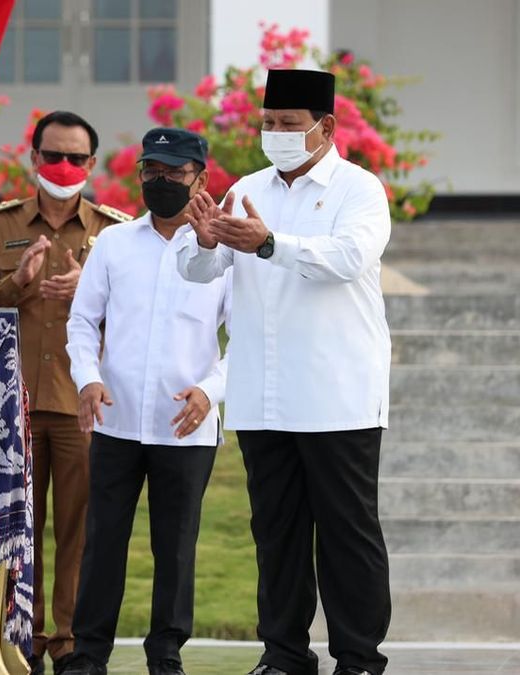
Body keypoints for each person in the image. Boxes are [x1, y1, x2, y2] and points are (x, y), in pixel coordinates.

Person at [177, 68, 392, 675]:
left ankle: (357, 659)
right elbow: (199, 274)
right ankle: (284, 656)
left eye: (289, 125)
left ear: (324, 128)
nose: (276, 134)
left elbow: (348, 259)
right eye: (268, 124)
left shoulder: (359, 189)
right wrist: (203, 242)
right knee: (276, 534)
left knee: (347, 535)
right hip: (263, 396)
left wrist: (270, 244)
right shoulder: (248, 187)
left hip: (337, 394)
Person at [0, 110, 129, 675]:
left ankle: (73, 646)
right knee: (17, 529)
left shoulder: (115, 232)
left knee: (82, 529)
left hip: (83, 403)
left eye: (75, 158)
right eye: (52, 155)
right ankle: (18, 641)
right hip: (13, 405)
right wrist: (19, 284)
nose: (63, 167)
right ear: (34, 159)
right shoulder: (0, 225)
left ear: (92, 165)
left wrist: (95, 289)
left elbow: (139, 319)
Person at [59, 128, 230, 675]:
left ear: (200, 179)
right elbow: (82, 321)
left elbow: (248, 337)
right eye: (151, 171)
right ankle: (88, 655)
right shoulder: (114, 244)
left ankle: (166, 655)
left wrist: (211, 389)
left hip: (186, 427)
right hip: (117, 421)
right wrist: (87, 377)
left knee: (175, 548)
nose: (160, 182)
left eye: (174, 173)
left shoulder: (225, 253)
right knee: (103, 541)